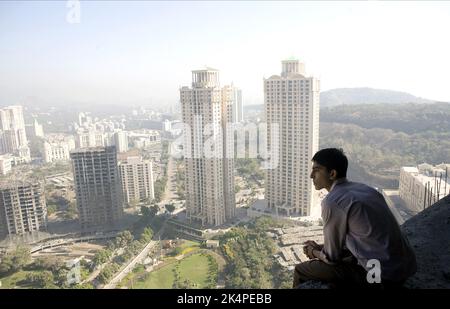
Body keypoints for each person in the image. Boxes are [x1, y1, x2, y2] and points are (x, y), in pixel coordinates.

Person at [293, 148, 416, 289]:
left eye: (316, 170)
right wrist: (321, 247)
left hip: (379, 276)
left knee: (301, 270)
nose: (311, 175)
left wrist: (312, 251)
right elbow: (362, 238)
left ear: (332, 174)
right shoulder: (366, 189)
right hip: (404, 268)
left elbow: (331, 258)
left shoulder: (333, 201)